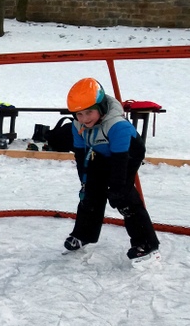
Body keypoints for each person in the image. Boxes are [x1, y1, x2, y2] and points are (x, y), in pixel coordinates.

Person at [63, 78, 160, 262]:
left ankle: (146, 243)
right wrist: (84, 180)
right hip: (101, 153)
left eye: (89, 112)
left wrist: (116, 187)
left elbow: (120, 161)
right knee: (90, 193)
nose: (84, 119)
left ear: (100, 107)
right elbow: (80, 154)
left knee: (123, 196)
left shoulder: (118, 126)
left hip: (127, 154)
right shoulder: (77, 125)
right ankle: (84, 234)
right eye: (79, 114)